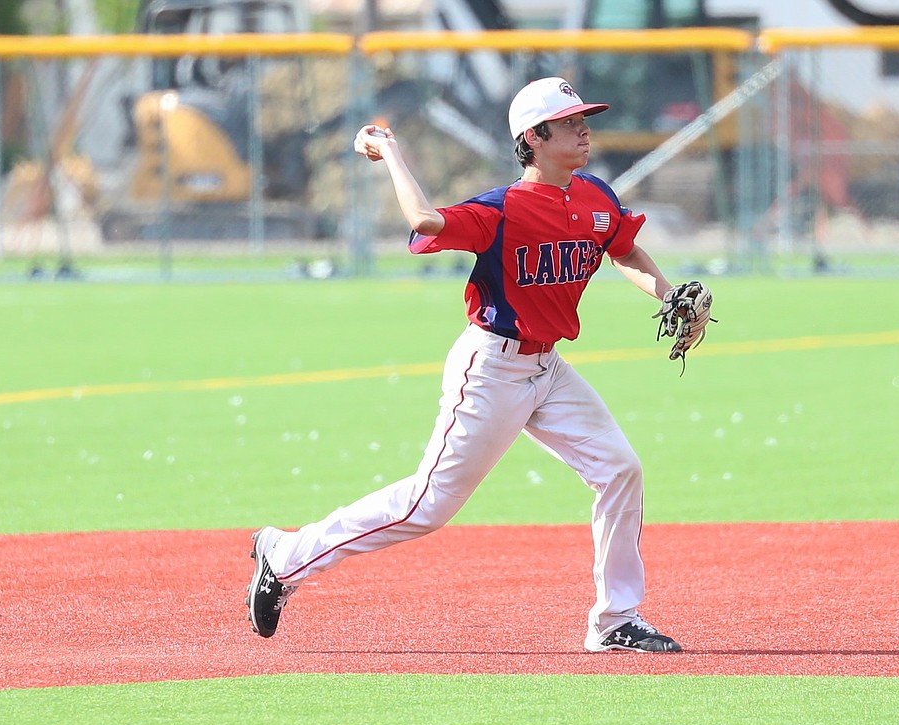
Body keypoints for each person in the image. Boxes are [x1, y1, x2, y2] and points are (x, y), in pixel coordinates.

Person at [247, 76, 706, 653]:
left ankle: (615, 621)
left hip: (548, 369)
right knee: (427, 505)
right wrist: (390, 150)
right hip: (492, 368)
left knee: (620, 469)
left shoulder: (594, 195)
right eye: (569, 123)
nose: (584, 129)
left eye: (583, 118)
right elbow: (424, 220)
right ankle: (285, 557)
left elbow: (625, 248)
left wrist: (666, 294)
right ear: (534, 138)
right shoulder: (502, 209)